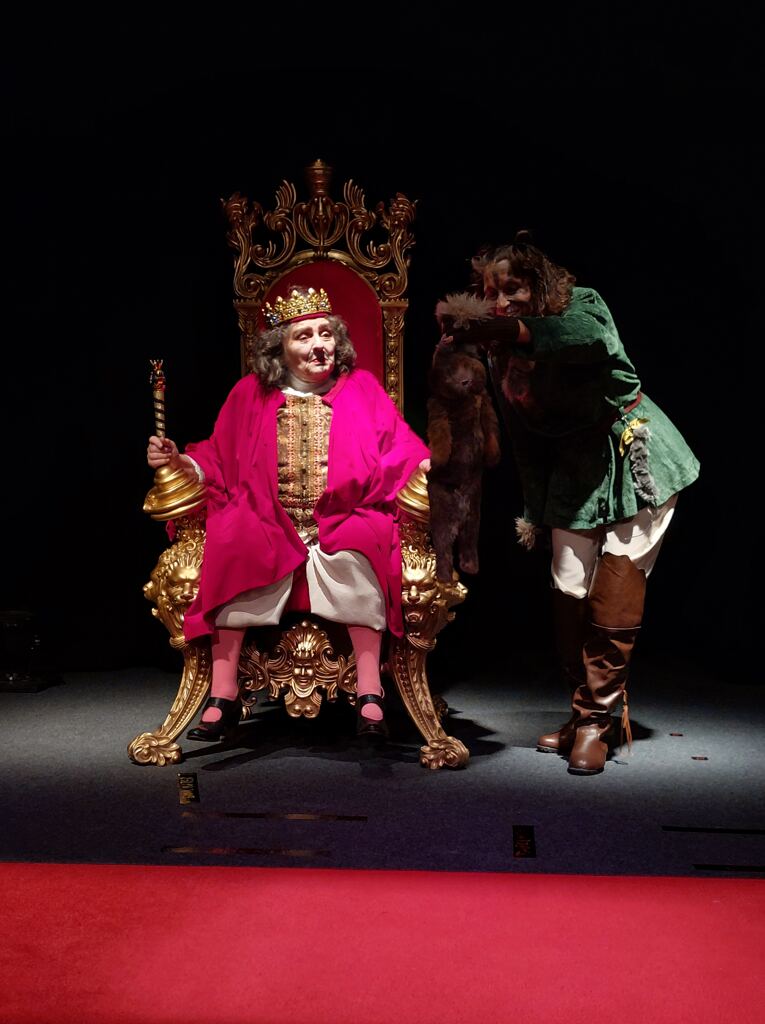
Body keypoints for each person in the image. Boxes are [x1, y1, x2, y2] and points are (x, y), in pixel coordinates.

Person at [448, 232, 700, 775]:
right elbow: (523, 436)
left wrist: (512, 330)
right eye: (491, 294)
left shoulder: (581, 305)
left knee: (615, 589)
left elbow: (587, 340)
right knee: (568, 591)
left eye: (513, 289)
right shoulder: (500, 355)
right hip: (571, 473)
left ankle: (595, 724)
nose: (502, 302)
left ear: (537, 285)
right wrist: (535, 508)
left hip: (632, 458)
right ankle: (583, 709)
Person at [147, 285, 430, 742]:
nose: (319, 345)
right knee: (234, 543)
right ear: (280, 347)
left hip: (341, 515)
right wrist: (181, 462)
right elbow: (218, 455)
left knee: (361, 549)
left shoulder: (362, 389)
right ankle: (223, 694)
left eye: (326, 333)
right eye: (304, 336)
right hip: (267, 518)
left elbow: (399, 444)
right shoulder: (250, 393)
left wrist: (424, 465)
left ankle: (370, 692)